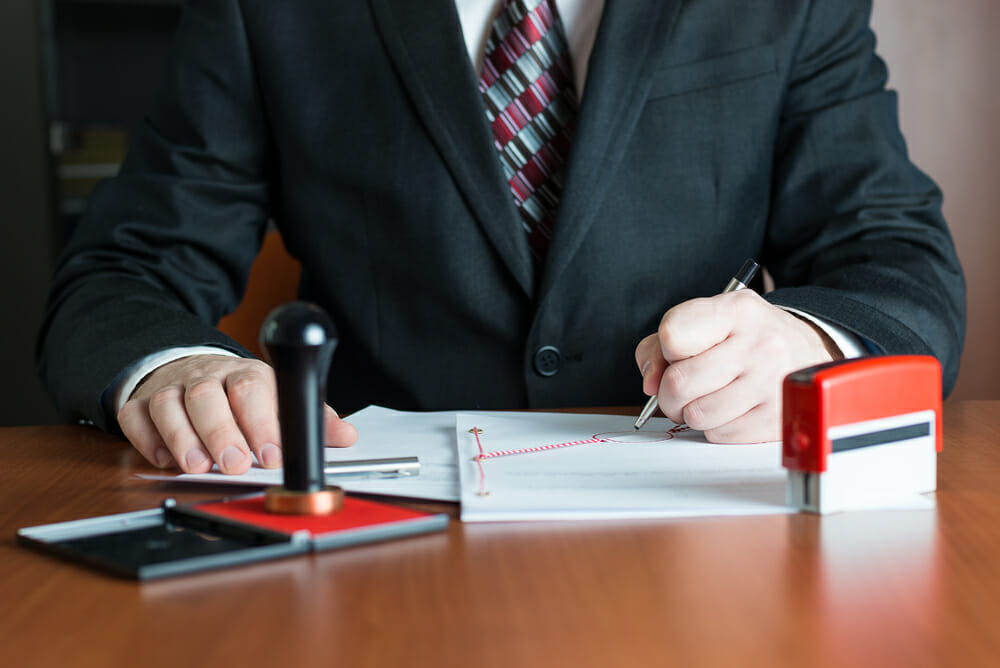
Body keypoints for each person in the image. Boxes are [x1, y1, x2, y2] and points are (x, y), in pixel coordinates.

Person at [36, 0, 965, 476]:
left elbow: (896, 258)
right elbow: (126, 271)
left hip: (713, 516)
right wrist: (172, 369)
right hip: (372, 520)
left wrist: (810, 348)